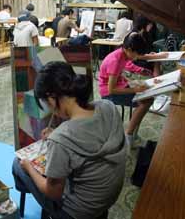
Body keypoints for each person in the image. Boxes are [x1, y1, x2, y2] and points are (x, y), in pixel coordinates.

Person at [12, 61, 126, 219]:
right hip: (107, 198)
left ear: (51, 98)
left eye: (46, 104)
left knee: (17, 165)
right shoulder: (108, 106)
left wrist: (28, 167)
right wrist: (58, 134)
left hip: (76, 212)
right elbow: (89, 132)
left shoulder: (61, 140)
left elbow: (53, 193)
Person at [98, 32, 154, 145]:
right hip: (109, 93)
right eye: (135, 54)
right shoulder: (115, 61)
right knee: (146, 101)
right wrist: (135, 90)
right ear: (128, 49)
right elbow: (111, 90)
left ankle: (132, 133)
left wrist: (140, 70)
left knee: (147, 95)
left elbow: (128, 64)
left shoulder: (122, 53)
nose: (136, 57)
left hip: (120, 85)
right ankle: (129, 136)